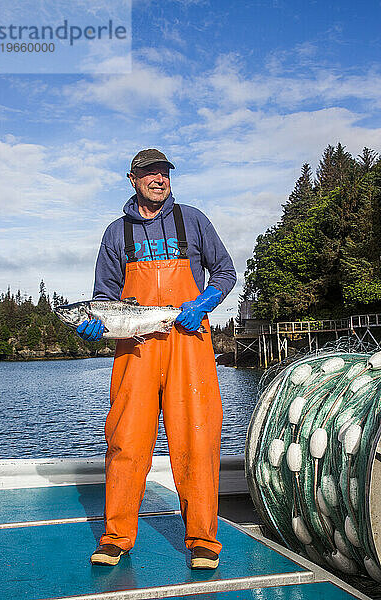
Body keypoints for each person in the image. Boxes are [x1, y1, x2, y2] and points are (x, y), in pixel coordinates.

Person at [78, 148, 236, 569]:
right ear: (133, 179)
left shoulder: (194, 220)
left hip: (189, 343)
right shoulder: (117, 233)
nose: (158, 179)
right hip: (135, 351)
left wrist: (202, 303)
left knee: (198, 441)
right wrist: (96, 324)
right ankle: (116, 537)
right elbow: (103, 298)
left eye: (163, 172)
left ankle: (203, 540)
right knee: (126, 440)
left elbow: (226, 272)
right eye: (149, 173)